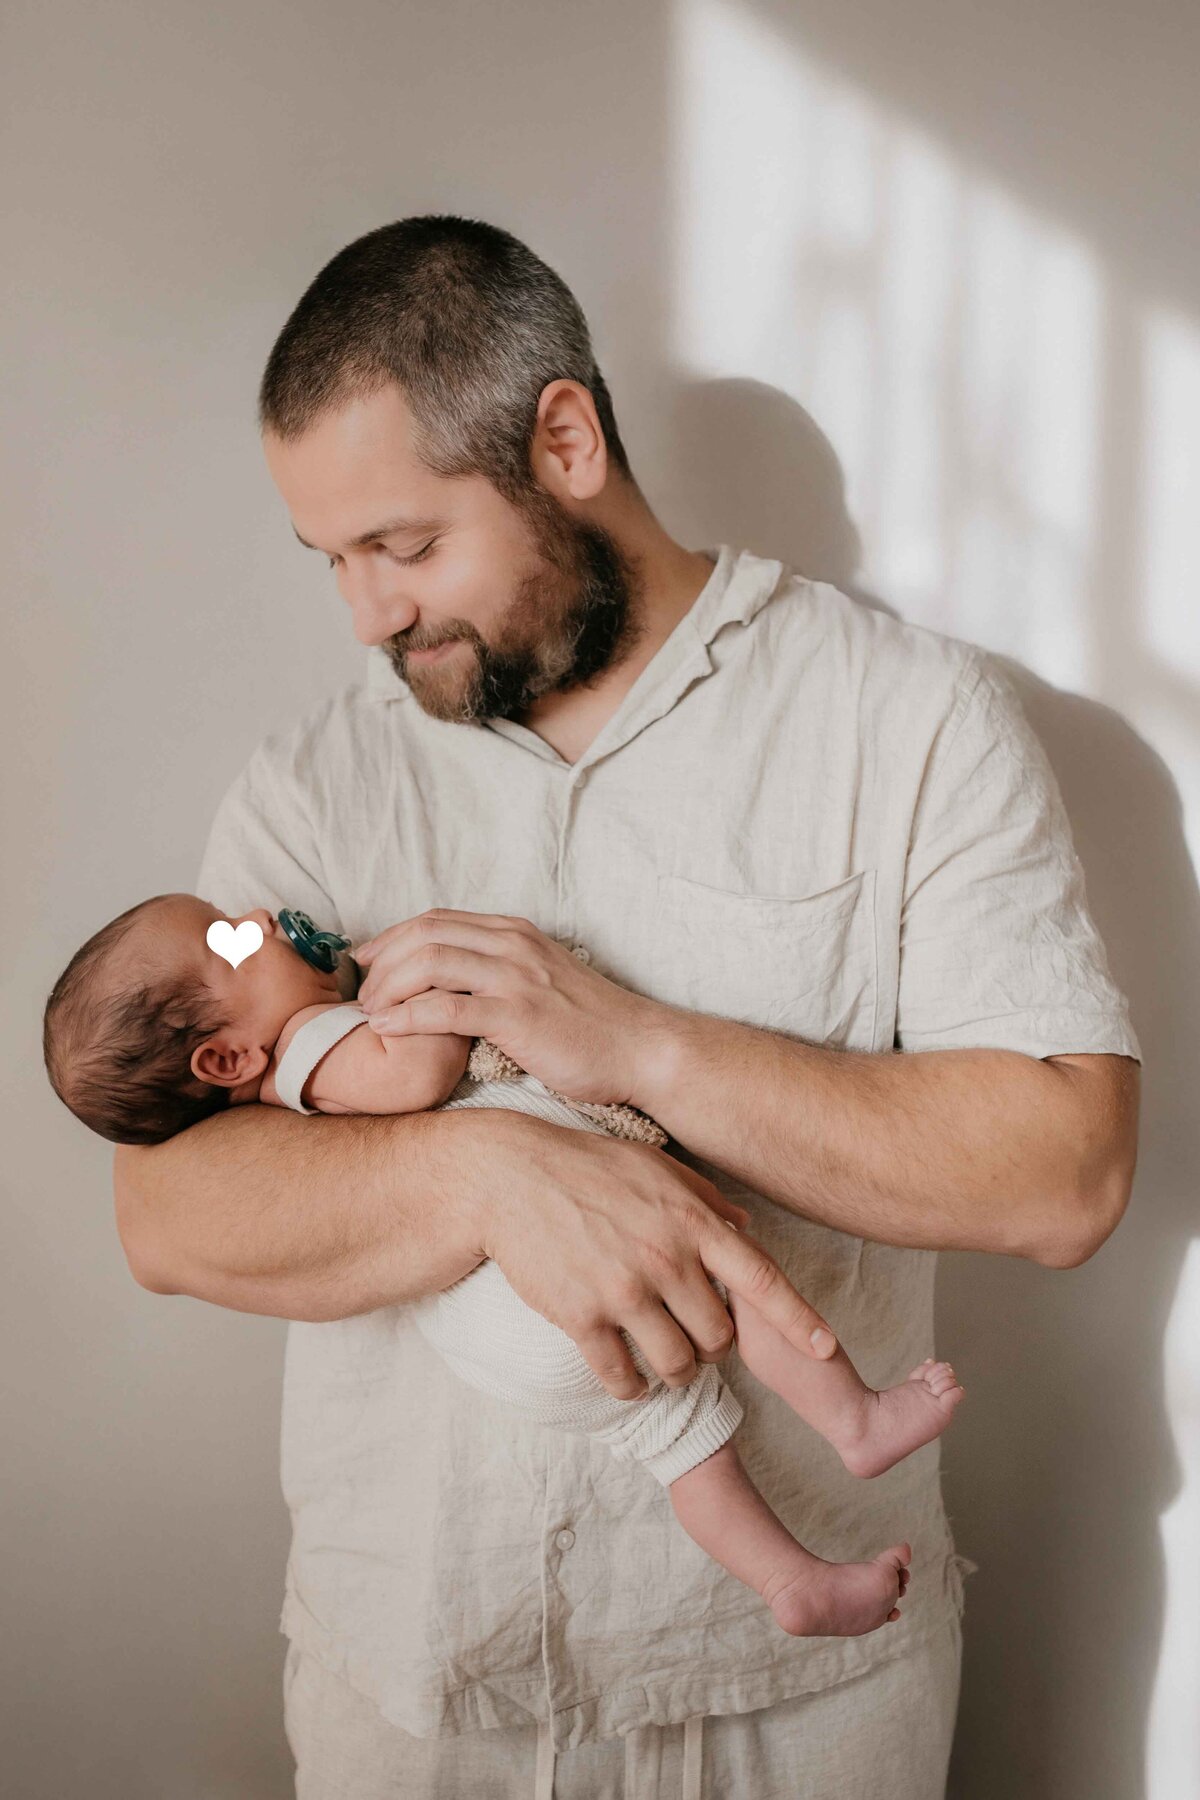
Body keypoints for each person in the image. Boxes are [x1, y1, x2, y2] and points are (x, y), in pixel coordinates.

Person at [111, 215, 1141, 1799]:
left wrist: (639, 1046)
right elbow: (170, 1215)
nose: (367, 614)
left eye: (403, 545)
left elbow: (1064, 1172)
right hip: (413, 1691)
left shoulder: (907, 720)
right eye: (330, 560)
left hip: (801, 1703)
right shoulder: (313, 787)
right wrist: (487, 1171)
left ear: (566, 440)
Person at [46, 890, 970, 1638]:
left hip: (506, 1335)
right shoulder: (311, 1048)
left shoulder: (294, 1056)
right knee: (732, 1274)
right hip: (532, 1293)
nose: (253, 916)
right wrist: (424, 993)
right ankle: (852, 1416)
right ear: (224, 1057)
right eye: (227, 941)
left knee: (682, 1444)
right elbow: (417, 1078)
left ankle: (790, 1580)